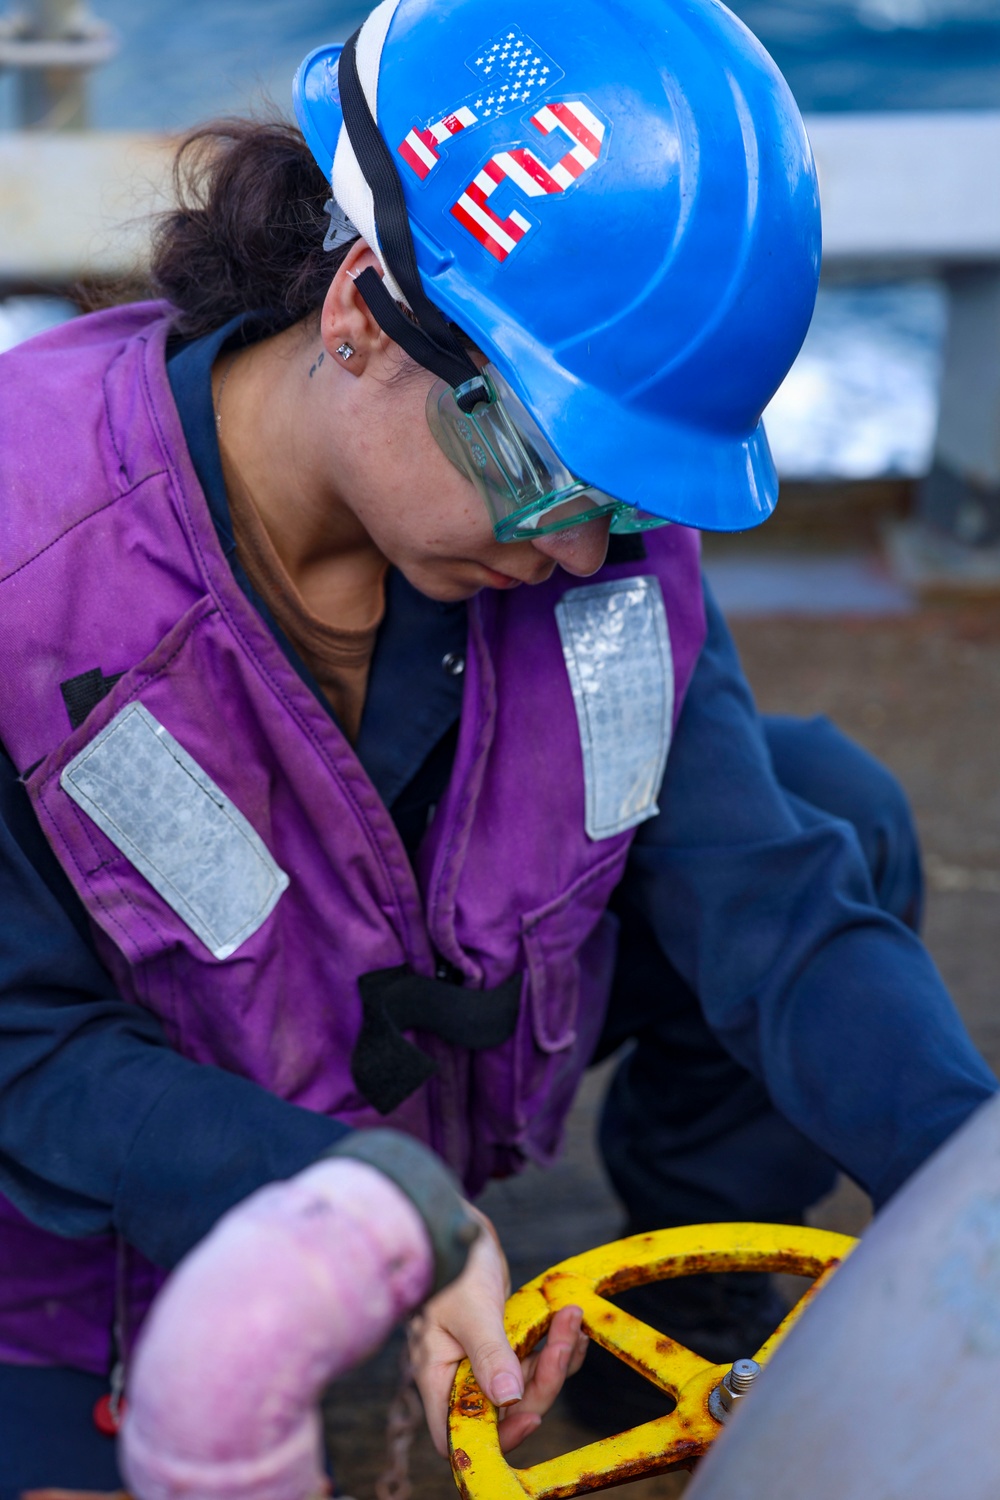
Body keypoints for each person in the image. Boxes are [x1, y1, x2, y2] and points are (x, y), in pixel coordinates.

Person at [0, 0, 995, 1489]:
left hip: (400, 1079)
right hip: (113, 1237)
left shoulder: (582, 536)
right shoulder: (29, 564)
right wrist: (354, 1205)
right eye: (552, 473)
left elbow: (771, 906)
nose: (587, 543)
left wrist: (970, 1185)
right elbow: (26, 1046)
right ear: (358, 313)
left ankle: (668, 1355)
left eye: (634, 492)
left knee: (832, 813)